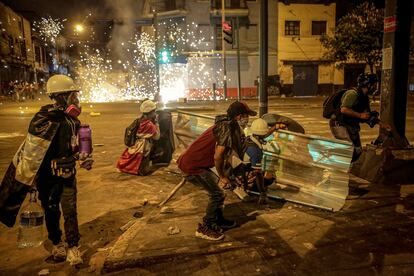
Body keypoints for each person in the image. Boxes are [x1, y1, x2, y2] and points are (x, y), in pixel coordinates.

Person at [0, 74, 93, 265]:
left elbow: (74, 148)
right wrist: (31, 180)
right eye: (71, 95)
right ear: (60, 97)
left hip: (67, 175)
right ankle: (57, 244)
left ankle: (73, 247)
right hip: (46, 178)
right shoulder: (42, 120)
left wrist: (82, 157)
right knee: (51, 211)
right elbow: (31, 154)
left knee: (70, 211)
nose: (75, 100)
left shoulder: (73, 122)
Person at [177, 101, 256, 241]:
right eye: (245, 116)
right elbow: (218, 156)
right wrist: (222, 176)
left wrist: (230, 175)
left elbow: (229, 155)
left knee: (220, 192)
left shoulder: (228, 126)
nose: (247, 120)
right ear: (238, 117)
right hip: (192, 166)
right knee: (217, 194)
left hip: (198, 164)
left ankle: (217, 220)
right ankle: (205, 227)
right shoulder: (226, 128)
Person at [329, 73, 389, 161]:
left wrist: (381, 124)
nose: (376, 87)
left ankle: (351, 168)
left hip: (350, 125)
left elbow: (367, 115)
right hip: (339, 124)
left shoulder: (364, 97)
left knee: (357, 151)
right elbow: (344, 109)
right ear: (368, 84)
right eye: (374, 84)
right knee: (351, 151)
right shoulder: (352, 94)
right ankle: (330, 157)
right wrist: (360, 115)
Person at [239, 118, 279, 205]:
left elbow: (263, 134)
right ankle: (252, 191)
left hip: (239, 173)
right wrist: (263, 193)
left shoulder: (249, 138)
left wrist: (275, 127)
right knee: (269, 178)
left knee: (261, 170)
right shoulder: (255, 150)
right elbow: (258, 173)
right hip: (243, 180)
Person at [117, 99, 160, 175]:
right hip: (143, 147)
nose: (155, 113)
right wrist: (156, 123)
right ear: (150, 113)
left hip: (136, 144)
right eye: (154, 111)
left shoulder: (139, 120)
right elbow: (157, 137)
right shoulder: (149, 125)